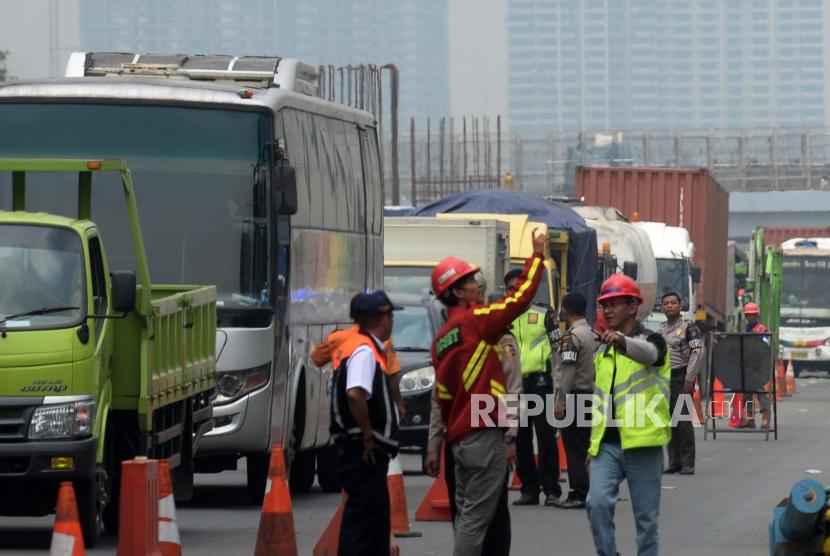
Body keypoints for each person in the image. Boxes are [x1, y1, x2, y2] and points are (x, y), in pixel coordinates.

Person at [429, 229, 545, 556]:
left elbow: (442, 398)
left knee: (466, 513)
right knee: (477, 520)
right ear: (457, 292)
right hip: (483, 435)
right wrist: (536, 256)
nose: (478, 283)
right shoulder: (476, 321)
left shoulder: (441, 338)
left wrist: (435, 444)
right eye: (470, 280)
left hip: (459, 440)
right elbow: (518, 300)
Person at [586, 274, 671, 556]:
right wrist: (592, 445)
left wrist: (621, 342)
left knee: (646, 521)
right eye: (604, 305)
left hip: (642, 443)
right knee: (596, 503)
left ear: (633, 307)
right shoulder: (603, 349)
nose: (607, 310)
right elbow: (600, 400)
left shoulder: (653, 340)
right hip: (607, 445)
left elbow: (651, 355)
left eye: (614, 304)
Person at [426, 328, 522, 556]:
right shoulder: (449, 339)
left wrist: (510, 437)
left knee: (495, 513)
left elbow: (514, 390)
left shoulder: (502, 339)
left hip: (490, 438)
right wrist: (433, 443)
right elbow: (439, 396)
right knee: (461, 512)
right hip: (456, 440)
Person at [327, 291, 402, 556]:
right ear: (383, 319)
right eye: (391, 316)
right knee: (362, 524)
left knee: (374, 521)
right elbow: (355, 393)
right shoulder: (364, 351)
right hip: (364, 451)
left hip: (364, 450)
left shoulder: (360, 346)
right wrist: (369, 436)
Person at [503, 269, 561, 507]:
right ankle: (529, 489)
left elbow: (557, 350)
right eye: (510, 288)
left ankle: (551, 489)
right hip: (514, 387)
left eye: (519, 287)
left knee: (547, 437)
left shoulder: (545, 313)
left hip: (541, 384)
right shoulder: (502, 316)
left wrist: (558, 388)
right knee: (521, 437)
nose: (514, 291)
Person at [552, 292, 596, 509]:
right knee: (588, 446)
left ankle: (580, 493)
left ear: (565, 311)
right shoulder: (592, 333)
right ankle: (590, 490)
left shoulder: (571, 337)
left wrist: (560, 402)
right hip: (592, 396)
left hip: (575, 396)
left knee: (575, 449)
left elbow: (567, 372)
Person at [656, 292, 702, 476]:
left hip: (681, 376)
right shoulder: (660, 330)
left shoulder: (689, 328)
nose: (669, 306)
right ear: (662, 308)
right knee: (668, 422)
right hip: (664, 378)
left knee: (682, 419)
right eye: (666, 304)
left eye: (673, 303)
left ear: (680, 306)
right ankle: (674, 461)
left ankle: (688, 462)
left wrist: (689, 378)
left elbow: (697, 352)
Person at [737, 302, 770, 429]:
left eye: (753, 315)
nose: (750, 317)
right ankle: (750, 418)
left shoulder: (762, 329)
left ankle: (766, 415)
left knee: (759, 390)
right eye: (748, 315)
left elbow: (764, 346)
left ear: (757, 315)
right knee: (747, 392)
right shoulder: (746, 329)